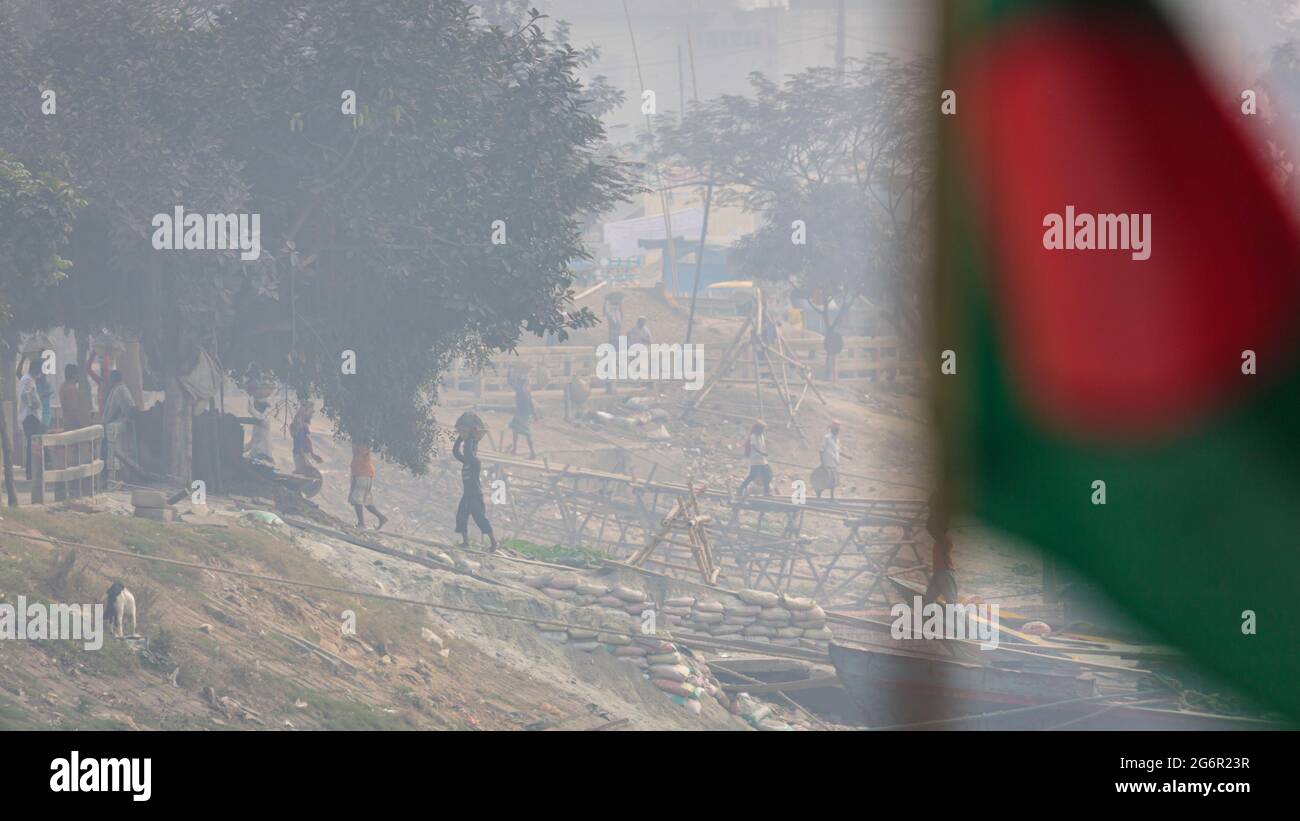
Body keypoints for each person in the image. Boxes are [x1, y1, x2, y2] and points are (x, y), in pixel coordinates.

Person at [452, 420, 497, 551]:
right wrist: (460, 437)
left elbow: (468, 452)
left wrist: (471, 437)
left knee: (480, 518)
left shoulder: (475, 462)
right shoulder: (466, 461)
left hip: (475, 496)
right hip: (467, 495)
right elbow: (455, 452)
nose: (466, 451)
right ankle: (466, 542)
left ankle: (494, 543)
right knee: (461, 517)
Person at [349, 443, 388, 530]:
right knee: (365, 501)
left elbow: (362, 453)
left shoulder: (363, 441)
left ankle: (361, 523)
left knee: (357, 499)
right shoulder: (358, 439)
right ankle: (381, 517)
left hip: (364, 474)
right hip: (358, 473)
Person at [18, 360, 46, 479]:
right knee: (33, 445)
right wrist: (34, 404)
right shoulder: (28, 380)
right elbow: (26, 395)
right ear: (36, 370)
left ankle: (32, 472)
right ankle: (31, 472)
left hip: (30, 417)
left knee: (32, 445)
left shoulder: (28, 379)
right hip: (30, 417)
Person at [737, 420, 772, 498]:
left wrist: (766, 444)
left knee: (767, 475)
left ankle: (766, 491)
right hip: (755, 460)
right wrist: (762, 453)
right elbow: (754, 447)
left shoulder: (761, 436)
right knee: (752, 476)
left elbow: (761, 445)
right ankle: (741, 488)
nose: (763, 431)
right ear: (758, 429)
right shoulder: (753, 436)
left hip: (762, 460)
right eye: (762, 429)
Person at [508, 376, 540, 459]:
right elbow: (531, 404)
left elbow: (509, 382)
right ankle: (515, 450)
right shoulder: (527, 391)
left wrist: (509, 370)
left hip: (521, 415)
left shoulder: (520, 390)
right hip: (525, 414)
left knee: (525, 433)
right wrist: (535, 415)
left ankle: (532, 453)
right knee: (516, 430)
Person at [290, 403, 323, 479]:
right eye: (310, 412)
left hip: (303, 454)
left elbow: (306, 444)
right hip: (301, 454)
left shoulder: (303, 425)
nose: (311, 415)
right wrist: (303, 456)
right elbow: (299, 443)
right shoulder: (300, 426)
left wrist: (313, 456)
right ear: (305, 412)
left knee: (307, 476)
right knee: (306, 477)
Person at [816, 420, 842, 500]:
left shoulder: (837, 440)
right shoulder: (827, 438)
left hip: (833, 463)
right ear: (831, 429)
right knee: (823, 480)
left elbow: (836, 451)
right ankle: (818, 496)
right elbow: (821, 450)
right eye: (835, 429)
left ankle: (832, 498)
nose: (837, 431)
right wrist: (823, 463)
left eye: (837, 430)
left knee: (833, 481)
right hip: (826, 463)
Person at [246, 398, 275, 466]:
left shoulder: (264, 420)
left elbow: (254, 413)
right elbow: (251, 443)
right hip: (256, 454)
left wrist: (250, 405)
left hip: (263, 455)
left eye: (256, 407)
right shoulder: (257, 424)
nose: (256, 409)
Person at [59, 363, 86, 430]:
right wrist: (80, 424)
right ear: (75, 375)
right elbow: (73, 409)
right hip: (74, 425)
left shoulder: (63, 386)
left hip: (67, 423)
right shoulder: (71, 389)